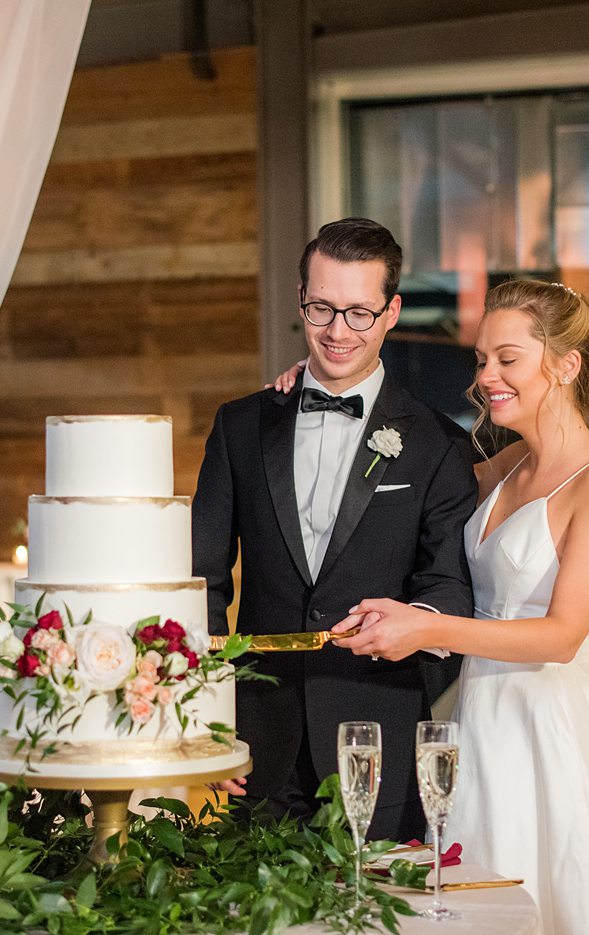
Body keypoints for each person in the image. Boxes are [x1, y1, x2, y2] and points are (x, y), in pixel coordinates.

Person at [276, 279, 589, 934]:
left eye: (507, 358)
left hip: (545, 731)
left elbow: (562, 635)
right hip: (475, 719)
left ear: (566, 365)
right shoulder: (508, 462)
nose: (486, 376)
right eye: (482, 358)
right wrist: (325, 393)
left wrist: (425, 626)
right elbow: (413, 468)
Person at [191, 217, 477, 841]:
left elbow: (450, 587)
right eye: (321, 308)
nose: (337, 331)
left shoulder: (439, 444)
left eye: (358, 312)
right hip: (252, 745)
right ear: (301, 299)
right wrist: (205, 726)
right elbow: (202, 583)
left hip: (380, 743)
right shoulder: (240, 426)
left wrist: (410, 636)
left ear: (392, 311)